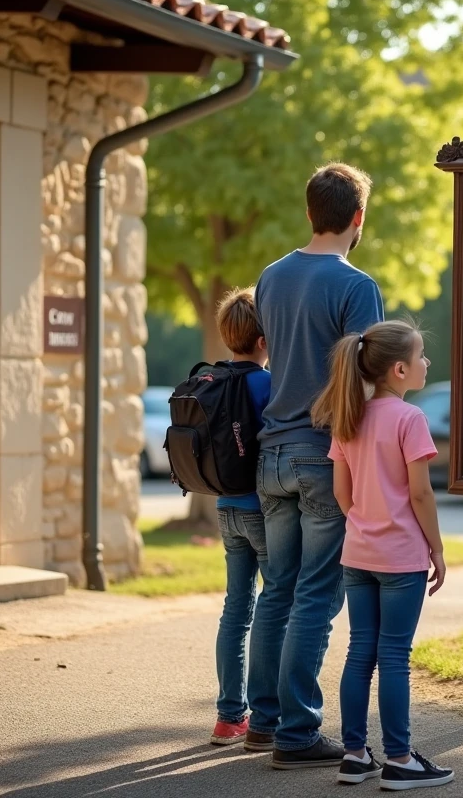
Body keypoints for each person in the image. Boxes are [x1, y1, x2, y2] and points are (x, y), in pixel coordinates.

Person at [247, 163, 386, 767]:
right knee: (315, 594)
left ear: (310, 212)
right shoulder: (357, 287)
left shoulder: (271, 276)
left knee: (275, 589)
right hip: (321, 453)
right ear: (358, 218)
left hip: (271, 451)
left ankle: (264, 721)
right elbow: (365, 375)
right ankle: (299, 735)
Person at [311, 319, 455, 790]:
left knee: (360, 653)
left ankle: (354, 755)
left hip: (359, 554)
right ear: (399, 369)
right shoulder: (410, 420)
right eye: (420, 356)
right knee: (394, 655)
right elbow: (420, 496)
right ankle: (399, 760)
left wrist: (364, 523)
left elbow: (341, 492)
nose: (426, 362)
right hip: (400, 557)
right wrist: (435, 546)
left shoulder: (349, 416)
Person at [209, 287, 273, 746]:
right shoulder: (265, 384)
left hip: (225, 507)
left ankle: (229, 716)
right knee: (277, 606)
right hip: (261, 509)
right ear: (264, 339)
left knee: (236, 611)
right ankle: (269, 714)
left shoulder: (212, 380)